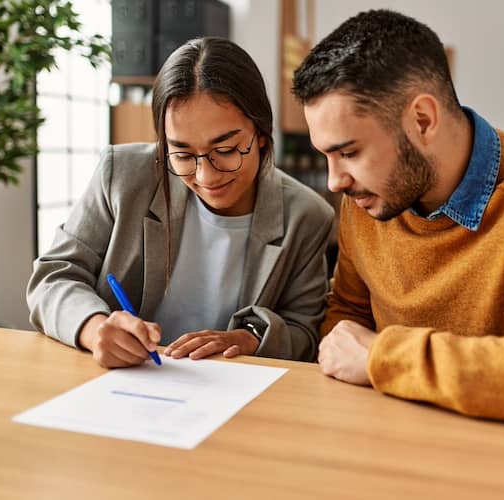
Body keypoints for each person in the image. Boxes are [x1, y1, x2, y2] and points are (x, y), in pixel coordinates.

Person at [292, 10, 504, 430]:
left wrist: (382, 359)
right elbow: (348, 318)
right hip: (388, 445)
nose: (334, 181)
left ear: (422, 120)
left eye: (349, 152)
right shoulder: (366, 199)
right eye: (326, 156)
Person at [28, 37, 334, 368]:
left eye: (226, 150)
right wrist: (95, 328)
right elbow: (53, 277)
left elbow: (304, 331)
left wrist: (251, 338)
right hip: (123, 382)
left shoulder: (307, 215)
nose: (205, 176)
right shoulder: (123, 176)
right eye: (183, 154)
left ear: (261, 133)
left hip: (233, 395)